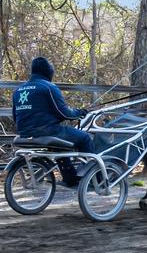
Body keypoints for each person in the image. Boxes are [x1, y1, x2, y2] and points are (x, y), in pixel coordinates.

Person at [12, 56, 92, 185]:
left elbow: (15, 116)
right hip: (46, 131)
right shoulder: (48, 87)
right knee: (84, 138)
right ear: (48, 71)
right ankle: (91, 178)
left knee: (61, 146)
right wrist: (79, 113)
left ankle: (70, 179)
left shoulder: (19, 90)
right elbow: (64, 113)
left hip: (24, 133)